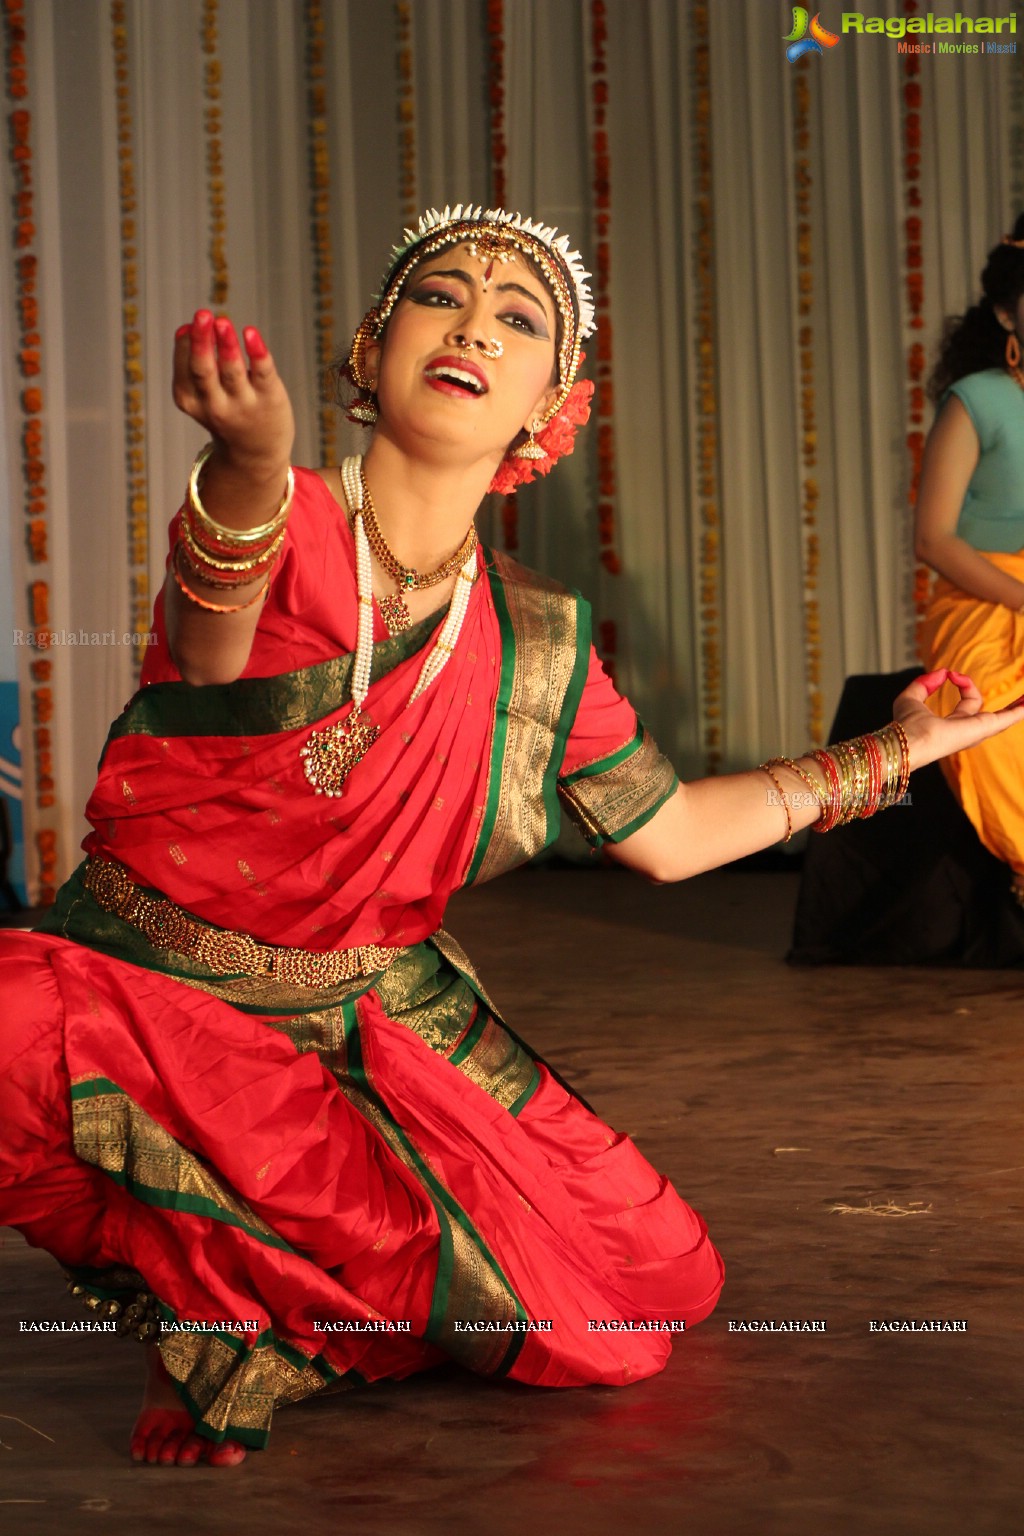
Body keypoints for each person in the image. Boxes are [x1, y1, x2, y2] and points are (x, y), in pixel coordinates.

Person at [0, 205, 1019, 1470]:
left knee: (652, 1290)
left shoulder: (539, 635)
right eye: (439, 296)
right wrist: (251, 465)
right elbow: (209, 644)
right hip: (151, 989)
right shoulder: (286, 518)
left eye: (518, 317)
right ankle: (215, 1304)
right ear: (372, 352)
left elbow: (673, 835)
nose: (474, 321)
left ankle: (299, 1287)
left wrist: (898, 753)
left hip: (372, 1014)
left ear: (552, 407)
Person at [916, 216, 1024, 904]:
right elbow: (934, 539)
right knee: (990, 721)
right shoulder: (979, 399)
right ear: (1006, 311)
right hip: (986, 595)